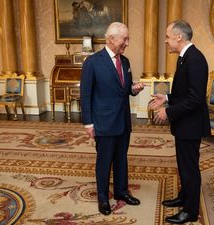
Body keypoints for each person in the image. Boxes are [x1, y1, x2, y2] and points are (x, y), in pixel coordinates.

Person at [148, 20, 211, 224]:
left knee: (190, 167)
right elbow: (184, 92)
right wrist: (166, 98)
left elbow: (195, 99)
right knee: (183, 165)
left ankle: (190, 211)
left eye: (167, 37)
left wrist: (169, 112)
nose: (166, 41)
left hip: (191, 125)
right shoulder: (184, 58)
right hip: (185, 124)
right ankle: (185, 197)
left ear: (179, 37)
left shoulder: (195, 60)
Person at [80, 22, 145, 216]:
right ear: (111, 39)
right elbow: (86, 95)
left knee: (121, 159)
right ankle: (102, 197)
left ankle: (121, 192)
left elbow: (123, 90)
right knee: (104, 161)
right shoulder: (92, 62)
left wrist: (133, 89)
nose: (127, 43)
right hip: (104, 122)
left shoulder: (125, 61)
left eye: (128, 38)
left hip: (123, 121)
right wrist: (88, 123)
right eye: (124, 39)